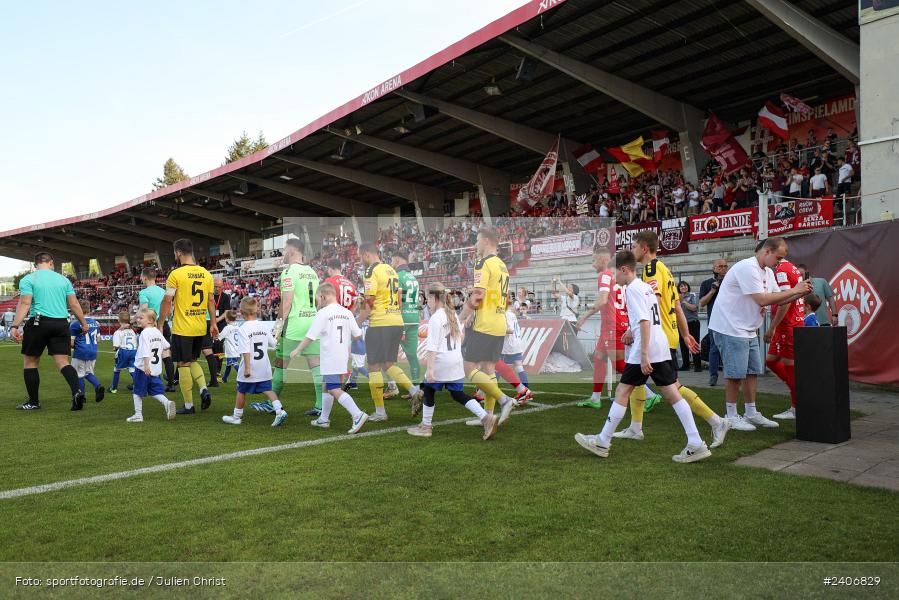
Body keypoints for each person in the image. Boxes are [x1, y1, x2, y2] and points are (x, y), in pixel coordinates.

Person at [574, 250, 712, 463]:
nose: (613, 278)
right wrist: (632, 332)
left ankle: (603, 441)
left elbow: (645, 322)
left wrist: (644, 355)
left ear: (624, 269)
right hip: (660, 345)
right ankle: (696, 443)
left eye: (614, 273)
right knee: (672, 394)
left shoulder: (633, 290)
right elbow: (647, 318)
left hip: (645, 349)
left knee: (623, 390)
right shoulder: (645, 287)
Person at [614, 231, 729, 448]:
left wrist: (632, 328)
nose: (632, 250)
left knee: (672, 388)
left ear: (644, 248)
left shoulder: (651, 269)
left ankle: (715, 421)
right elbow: (676, 305)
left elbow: (652, 303)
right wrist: (685, 334)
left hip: (657, 334)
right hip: (668, 333)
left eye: (634, 246)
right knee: (635, 381)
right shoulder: (665, 268)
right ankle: (635, 427)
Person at [709, 237, 811, 431]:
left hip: (746, 328)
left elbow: (779, 299)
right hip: (731, 327)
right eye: (778, 257)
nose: (779, 262)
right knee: (734, 374)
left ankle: (751, 412)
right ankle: (730, 415)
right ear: (767, 251)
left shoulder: (766, 271)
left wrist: (800, 293)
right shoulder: (747, 268)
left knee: (752, 371)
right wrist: (794, 290)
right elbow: (762, 299)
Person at [410, 284, 499, 439]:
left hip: (441, 362)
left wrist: (430, 370)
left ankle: (426, 427)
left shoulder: (436, 318)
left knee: (429, 391)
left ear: (434, 298)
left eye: (427, 298)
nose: (426, 302)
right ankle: (486, 417)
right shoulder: (451, 314)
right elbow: (461, 338)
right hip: (456, 361)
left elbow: (432, 348)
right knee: (458, 394)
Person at [11, 251, 89, 411]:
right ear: (51, 263)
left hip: (39, 322)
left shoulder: (29, 279)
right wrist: (84, 323)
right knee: (63, 362)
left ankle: (33, 402)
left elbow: (25, 303)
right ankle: (77, 392)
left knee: (30, 362)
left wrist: (15, 325)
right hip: (61, 323)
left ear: (35, 265)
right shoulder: (63, 279)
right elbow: (74, 304)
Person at [356, 242, 423, 421]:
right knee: (389, 364)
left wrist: (357, 322)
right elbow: (399, 299)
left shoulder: (371, 271)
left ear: (366, 254)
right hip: (396, 321)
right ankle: (414, 390)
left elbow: (369, 301)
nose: (360, 260)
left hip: (380, 323)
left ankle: (380, 412)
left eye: (360, 256)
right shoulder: (391, 270)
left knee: (374, 367)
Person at [459, 228, 517, 426]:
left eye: (476, 241)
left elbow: (478, 295)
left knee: (469, 368)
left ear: (485, 241)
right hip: (499, 322)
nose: (475, 245)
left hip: (485, 324)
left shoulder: (482, 263)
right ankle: (488, 416)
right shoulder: (502, 265)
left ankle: (505, 399)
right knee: (489, 369)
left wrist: (462, 316)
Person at [292, 283, 368, 434]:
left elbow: (311, 336)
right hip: (341, 355)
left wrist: (297, 349)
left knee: (333, 388)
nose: (318, 304)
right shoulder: (347, 313)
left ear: (323, 296)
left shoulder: (323, 313)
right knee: (327, 385)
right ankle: (323, 419)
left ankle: (358, 414)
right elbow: (358, 335)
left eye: (318, 300)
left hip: (330, 356)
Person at [157, 238, 217, 415]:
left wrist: (160, 324)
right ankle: (204, 389)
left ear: (178, 253)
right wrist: (213, 323)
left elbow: (167, 300)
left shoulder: (175, 275)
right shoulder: (206, 273)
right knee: (192, 361)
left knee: (183, 364)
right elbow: (211, 300)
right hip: (200, 326)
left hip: (183, 328)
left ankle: (189, 406)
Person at [273, 239, 323, 417]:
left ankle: (273, 402)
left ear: (293, 252)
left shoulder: (289, 271)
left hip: (294, 324)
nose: (283, 254)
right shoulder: (312, 272)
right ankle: (320, 405)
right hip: (312, 323)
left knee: (281, 364)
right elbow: (318, 301)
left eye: (285, 250)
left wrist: (278, 325)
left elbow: (286, 302)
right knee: (315, 365)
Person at [574, 247, 627, 409]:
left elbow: (603, 300)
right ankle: (595, 398)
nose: (592, 265)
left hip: (612, 324)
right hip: (615, 323)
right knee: (599, 358)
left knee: (618, 365)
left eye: (593, 260)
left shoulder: (605, 275)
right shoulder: (617, 277)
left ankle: (648, 393)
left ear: (604, 260)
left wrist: (583, 317)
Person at [222, 297, 287, 427]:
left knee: (241, 390)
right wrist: (278, 332)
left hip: (250, 366)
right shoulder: (263, 326)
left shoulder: (243, 329)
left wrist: (246, 368)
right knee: (268, 389)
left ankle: (236, 417)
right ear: (257, 310)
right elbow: (273, 343)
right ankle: (280, 410)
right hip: (263, 366)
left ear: (241, 311)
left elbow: (245, 350)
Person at [765, 256, 806, 420]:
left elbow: (785, 300)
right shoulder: (791, 267)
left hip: (788, 325)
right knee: (771, 360)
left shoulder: (782, 270)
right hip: (788, 324)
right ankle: (797, 391)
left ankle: (797, 405)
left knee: (790, 366)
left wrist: (772, 327)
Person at [126, 308, 177, 423]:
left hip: (143, 368)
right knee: (155, 391)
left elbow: (145, 350)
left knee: (137, 391)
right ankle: (167, 403)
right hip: (156, 368)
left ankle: (138, 415)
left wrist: (145, 366)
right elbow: (167, 345)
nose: (138, 320)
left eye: (141, 318)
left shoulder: (145, 333)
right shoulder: (157, 332)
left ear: (150, 320)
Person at [139, 267, 176, 392]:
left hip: (151, 326)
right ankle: (171, 384)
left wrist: (134, 320)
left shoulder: (144, 293)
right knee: (166, 354)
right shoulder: (163, 291)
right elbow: (170, 312)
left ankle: (148, 382)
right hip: (163, 324)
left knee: (147, 353)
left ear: (145, 278)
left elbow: (143, 310)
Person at [391, 251, 422, 391]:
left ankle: (392, 386)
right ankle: (416, 388)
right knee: (411, 355)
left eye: (392, 261)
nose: (391, 264)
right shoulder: (413, 277)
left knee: (389, 353)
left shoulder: (397, 276)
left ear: (397, 261)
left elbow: (398, 300)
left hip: (401, 318)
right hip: (414, 318)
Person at [69, 299, 104, 402]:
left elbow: (71, 343)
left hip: (80, 352)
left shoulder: (75, 324)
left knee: (78, 375)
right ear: (89, 309)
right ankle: (97, 386)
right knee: (88, 372)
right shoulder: (95, 323)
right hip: (93, 351)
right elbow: (98, 339)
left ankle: (81, 397)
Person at [699, 259, 728, 385]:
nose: (723, 268)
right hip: (714, 321)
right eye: (720, 266)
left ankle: (731, 375)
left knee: (730, 348)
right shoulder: (706, 283)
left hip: (731, 320)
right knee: (714, 348)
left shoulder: (731, 281)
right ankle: (713, 376)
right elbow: (702, 303)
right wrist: (712, 291)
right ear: (714, 268)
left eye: (725, 266)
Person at [203, 277, 232, 387]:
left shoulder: (225, 297)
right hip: (209, 323)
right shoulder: (208, 295)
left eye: (219, 287)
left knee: (219, 346)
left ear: (222, 287)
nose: (217, 289)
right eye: (215, 286)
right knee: (210, 347)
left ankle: (218, 368)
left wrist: (215, 321)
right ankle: (214, 368)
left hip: (220, 324)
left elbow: (226, 312)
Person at [110, 311, 137, 394]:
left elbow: (116, 346)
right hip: (134, 351)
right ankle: (139, 387)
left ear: (119, 320)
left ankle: (113, 388)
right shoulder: (132, 331)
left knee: (117, 369)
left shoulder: (118, 332)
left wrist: (115, 349)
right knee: (132, 369)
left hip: (124, 352)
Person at [677, 281, 701, 372]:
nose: (683, 287)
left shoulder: (692, 295)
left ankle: (697, 365)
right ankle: (685, 365)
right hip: (682, 324)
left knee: (694, 343)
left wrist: (683, 301)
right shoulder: (676, 298)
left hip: (692, 322)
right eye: (681, 286)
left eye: (685, 286)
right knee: (683, 345)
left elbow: (694, 308)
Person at [218, 310, 241, 384]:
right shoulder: (238, 327)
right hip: (237, 350)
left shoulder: (227, 328)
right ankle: (224, 379)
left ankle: (244, 378)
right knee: (229, 364)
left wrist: (213, 336)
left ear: (227, 319)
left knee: (234, 364)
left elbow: (219, 337)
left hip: (231, 351)